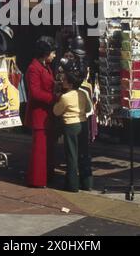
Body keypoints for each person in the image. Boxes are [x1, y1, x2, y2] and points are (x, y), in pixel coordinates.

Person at [53, 59, 93, 192]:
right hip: (83, 123)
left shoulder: (65, 97)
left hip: (70, 126)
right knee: (84, 154)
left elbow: (56, 111)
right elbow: (88, 109)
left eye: (64, 80)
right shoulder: (83, 93)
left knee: (71, 155)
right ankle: (87, 182)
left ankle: (72, 184)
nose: (62, 81)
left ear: (69, 83)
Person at [25, 36, 56, 188]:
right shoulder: (34, 68)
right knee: (40, 148)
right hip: (39, 113)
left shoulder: (45, 66)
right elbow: (35, 92)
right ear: (45, 53)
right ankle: (37, 180)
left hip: (47, 113)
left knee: (47, 148)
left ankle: (46, 176)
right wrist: (53, 98)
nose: (54, 55)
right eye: (52, 52)